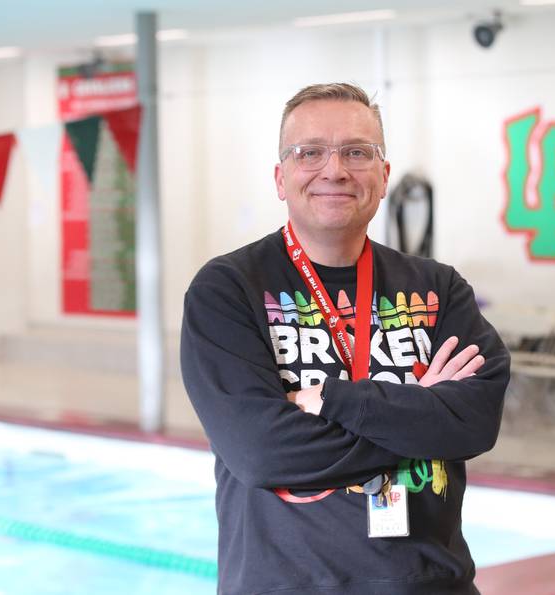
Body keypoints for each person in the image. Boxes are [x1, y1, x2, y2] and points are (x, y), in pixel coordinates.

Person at [180, 82, 510, 594]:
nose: (334, 169)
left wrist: (331, 399)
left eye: (357, 152)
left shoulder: (439, 288)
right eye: (309, 152)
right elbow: (261, 452)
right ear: (280, 177)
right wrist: (421, 411)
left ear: (383, 176)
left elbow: (473, 424)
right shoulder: (228, 289)